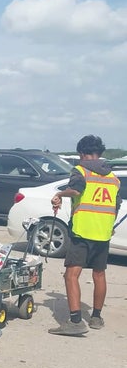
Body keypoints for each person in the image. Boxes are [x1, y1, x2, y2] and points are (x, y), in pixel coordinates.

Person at [48, 135, 121, 336]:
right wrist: (108, 225)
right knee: (99, 274)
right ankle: (96, 317)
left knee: (71, 275)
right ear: (100, 152)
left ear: (81, 153)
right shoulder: (113, 178)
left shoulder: (80, 171)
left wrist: (59, 194)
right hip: (103, 233)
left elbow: (75, 190)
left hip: (82, 231)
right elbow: (116, 205)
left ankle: (75, 321)